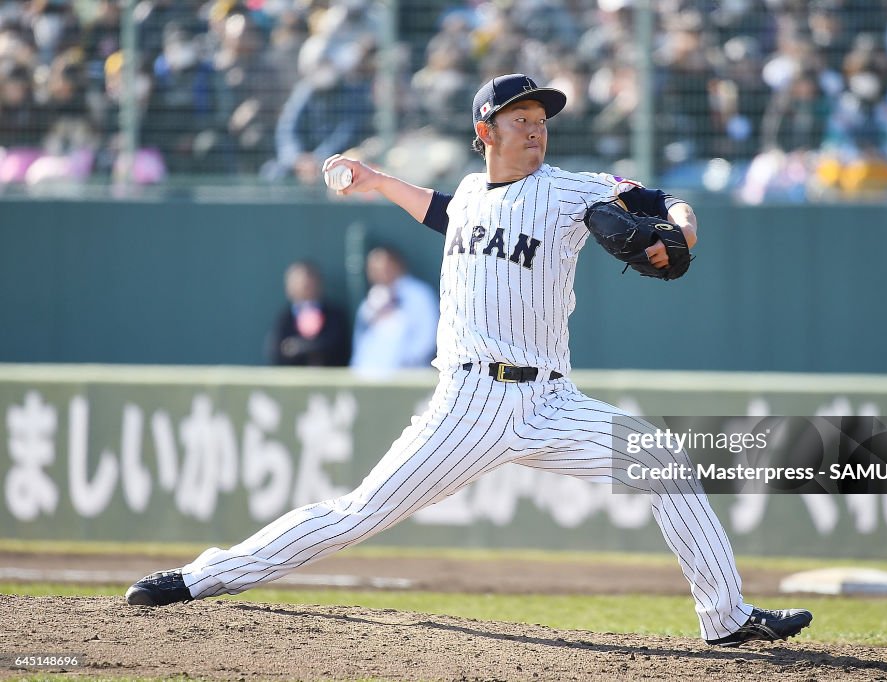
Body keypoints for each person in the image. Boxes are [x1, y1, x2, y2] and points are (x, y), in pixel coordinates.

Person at [125, 73, 812, 648]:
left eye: (542, 119)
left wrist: (684, 225)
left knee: (660, 457)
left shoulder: (571, 190)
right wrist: (374, 180)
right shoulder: (472, 195)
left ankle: (724, 619)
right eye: (521, 119)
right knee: (358, 513)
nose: (536, 129)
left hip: (550, 402)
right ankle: (202, 577)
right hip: (468, 406)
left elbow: (659, 201)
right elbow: (446, 212)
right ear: (486, 131)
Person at [350, 246, 439, 372]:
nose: (378, 272)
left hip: (410, 375)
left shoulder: (419, 294)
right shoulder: (370, 300)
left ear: (398, 265)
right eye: (373, 268)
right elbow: (361, 339)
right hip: (370, 375)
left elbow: (428, 336)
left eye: (383, 266)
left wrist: (407, 361)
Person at [265, 260, 350, 367]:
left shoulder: (334, 315)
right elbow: (277, 350)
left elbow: (336, 345)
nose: (305, 285)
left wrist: (302, 347)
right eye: (298, 281)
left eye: (309, 280)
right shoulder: (284, 318)